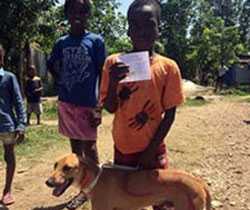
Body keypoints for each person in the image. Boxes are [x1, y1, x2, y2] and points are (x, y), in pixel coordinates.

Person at [100, 0, 184, 209]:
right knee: (126, 199)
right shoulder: (113, 63)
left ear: (159, 29)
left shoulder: (168, 67)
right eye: (135, 26)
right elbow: (110, 107)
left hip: (154, 150)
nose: (142, 31)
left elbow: (170, 115)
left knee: (162, 200)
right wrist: (113, 83)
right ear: (128, 30)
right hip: (123, 147)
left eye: (149, 24)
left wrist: (150, 151)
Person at [47, 0, 106, 209]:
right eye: (72, 10)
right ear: (67, 13)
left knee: (90, 150)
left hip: (87, 104)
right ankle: (83, 191)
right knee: (75, 152)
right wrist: (60, 80)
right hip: (67, 103)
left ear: (88, 14)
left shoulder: (95, 41)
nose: (77, 14)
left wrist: (99, 106)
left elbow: (102, 73)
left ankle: (99, 188)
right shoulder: (61, 42)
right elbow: (51, 64)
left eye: (82, 10)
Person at [0, 44, 26, 205]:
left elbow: (18, 101)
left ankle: (7, 190)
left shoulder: (8, 77)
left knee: (9, 155)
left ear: (1, 58)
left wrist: (21, 124)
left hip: (6, 125)